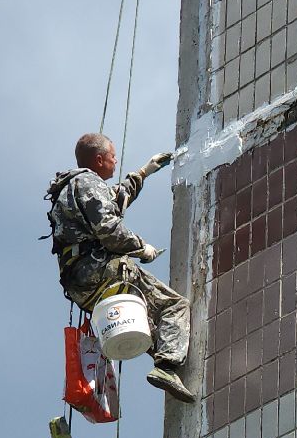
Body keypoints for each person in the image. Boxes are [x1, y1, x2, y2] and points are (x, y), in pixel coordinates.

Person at [45, 132, 193, 402]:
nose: (116, 161)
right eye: (113, 156)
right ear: (99, 160)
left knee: (147, 326)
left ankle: (166, 369)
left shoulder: (69, 191)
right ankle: (168, 364)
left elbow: (114, 200)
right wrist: (141, 248)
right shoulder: (87, 182)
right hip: (101, 270)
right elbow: (109, 229)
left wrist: (144, 172)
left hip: (82, 287)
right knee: (175, 306)